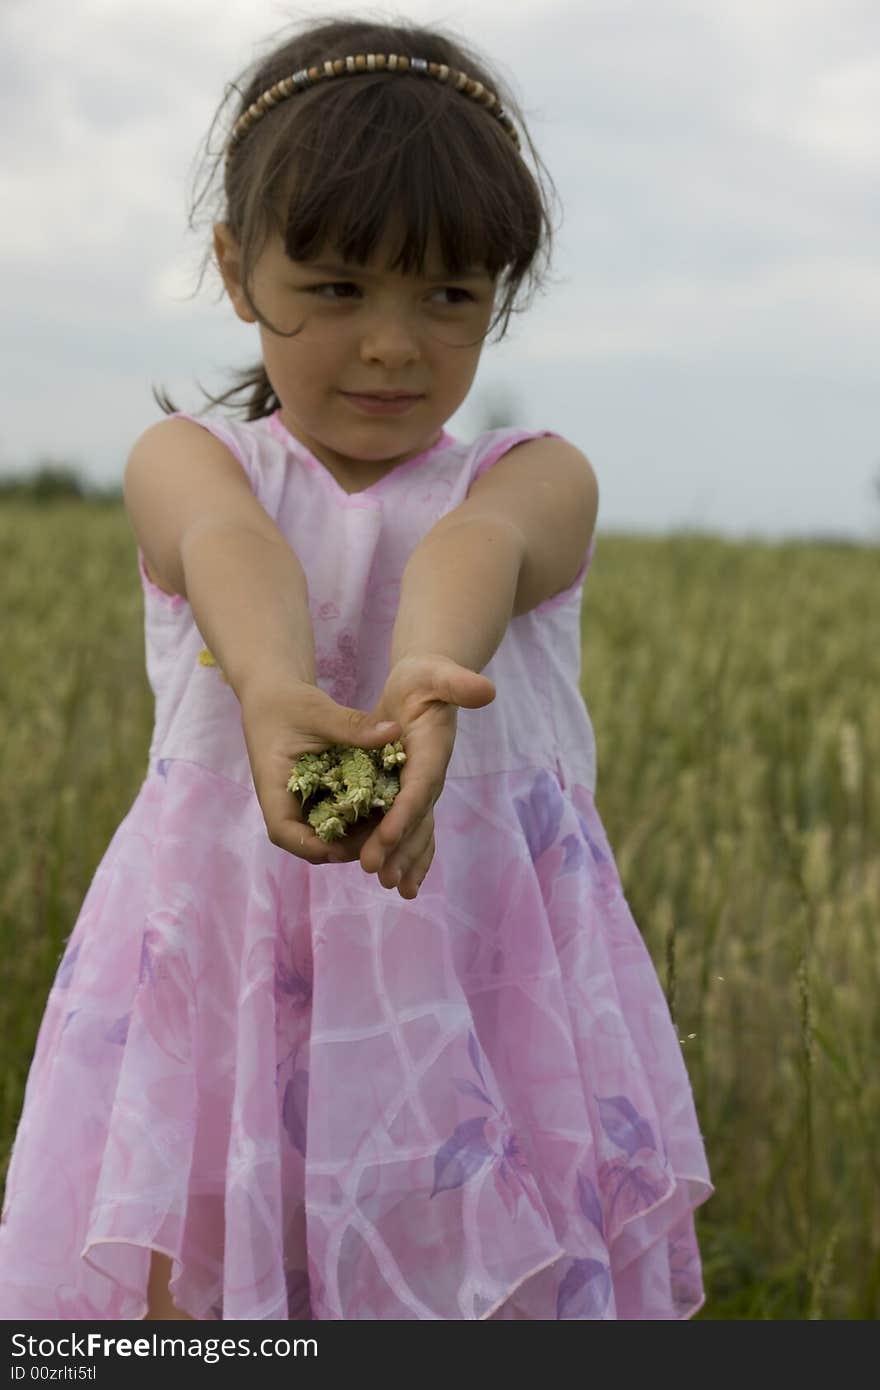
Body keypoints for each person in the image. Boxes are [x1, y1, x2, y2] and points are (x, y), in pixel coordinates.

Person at [0, 15, 712, 1321]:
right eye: (336, 287)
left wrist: (426, 672)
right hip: (230, 975)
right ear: (233, 266)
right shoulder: (190, 461)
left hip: (475, 984)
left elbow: (473, 549)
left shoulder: (536, 477)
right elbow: (227, 547)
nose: (393, 343)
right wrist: (272, 686)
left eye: (448, 295)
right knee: (203, 1294)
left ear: (503, 289)